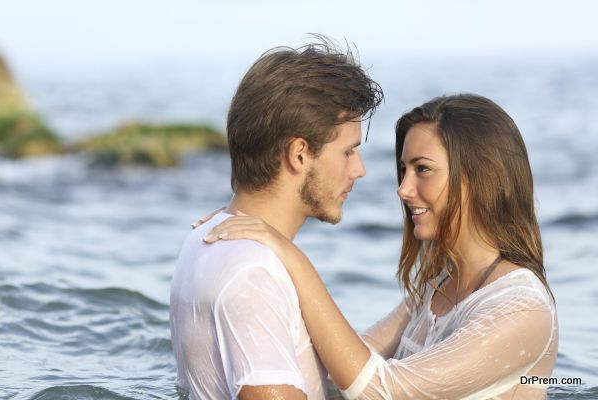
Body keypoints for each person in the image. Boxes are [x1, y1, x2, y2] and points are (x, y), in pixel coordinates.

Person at [201, 94, 559, 399]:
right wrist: (246, 215)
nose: (403, 189)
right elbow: (334, 374)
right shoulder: (436, 286)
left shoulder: (523, 308)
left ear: (480, 178)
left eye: (423, 169)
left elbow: (382, 390)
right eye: (404, 170)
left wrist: (290, 256)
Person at [169, 37, 383, 400]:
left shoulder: (203, 237)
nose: (358, 170)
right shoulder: (254, 272)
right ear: (299, 154)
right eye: (348, 152)